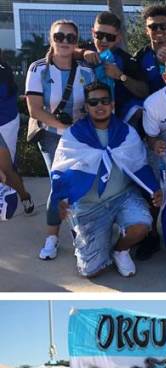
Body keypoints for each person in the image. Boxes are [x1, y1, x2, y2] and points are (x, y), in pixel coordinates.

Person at [52, 82, 162, 277]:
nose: (99, 106)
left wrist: (154, 189)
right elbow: (60, 169)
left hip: (122, 197)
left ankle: (120, 250)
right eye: (93, 102)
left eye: (104, 101)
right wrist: (60, 197)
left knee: (142, 224)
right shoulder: (73, 135)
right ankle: (91, 234)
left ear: (112, 105)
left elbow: (139, 164)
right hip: (89, 205)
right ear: (86, 107)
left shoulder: (126, 133)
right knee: (90, 272)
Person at [26, 19, 96, 261]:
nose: (64, 41)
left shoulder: (86, 71)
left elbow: (91, 105)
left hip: (80, 136)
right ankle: (52, 237)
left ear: (76, 41)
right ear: (50, 39)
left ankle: (80, 235)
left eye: (70, 38)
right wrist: (63, 128)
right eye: (59, 37)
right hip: (51, 135)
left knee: (80, 185)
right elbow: (35, 109)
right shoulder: (38, 69)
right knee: (59, 184)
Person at [0, 55, 31, 215]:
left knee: (6, 170)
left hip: (5, 122)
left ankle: (24, 197)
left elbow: (5, 94)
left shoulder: (3, 70)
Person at [134, 4, 166, 96]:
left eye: (163, 26)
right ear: (146, 30)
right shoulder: (139, 57)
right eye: (153, 27)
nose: (158, 30)